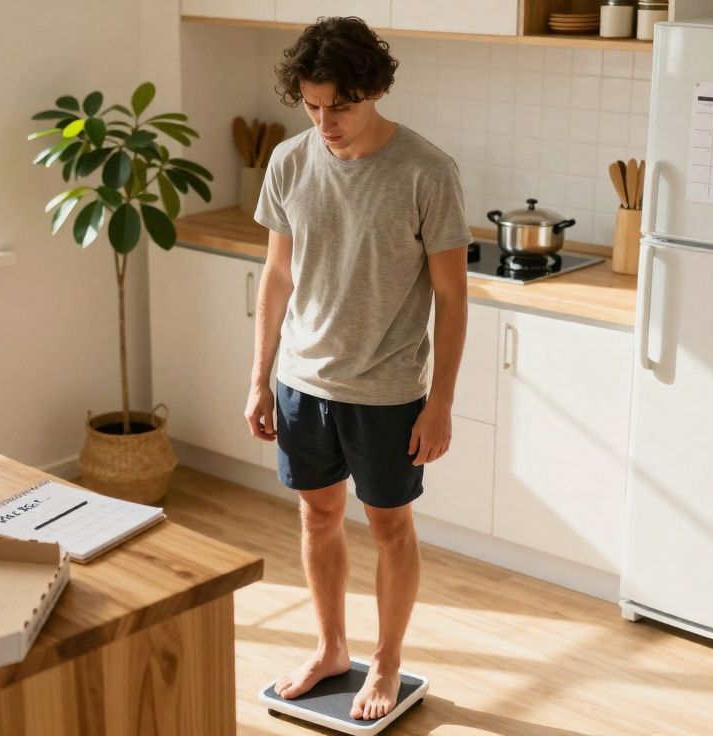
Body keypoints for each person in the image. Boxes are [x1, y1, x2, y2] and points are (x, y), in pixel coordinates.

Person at [244, 15, 471, 722]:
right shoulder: (289, 162)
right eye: (312, 106)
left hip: (387, 389)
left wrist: (440, 403)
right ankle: (331, 648)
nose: (325, 121)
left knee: (390, 526)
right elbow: (277, 278)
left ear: (373, 89)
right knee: (317, 517)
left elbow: (452, 296)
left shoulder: (426, 171)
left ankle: (389, 661)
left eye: (339, 106)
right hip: (302, 383)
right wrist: (259, 377)